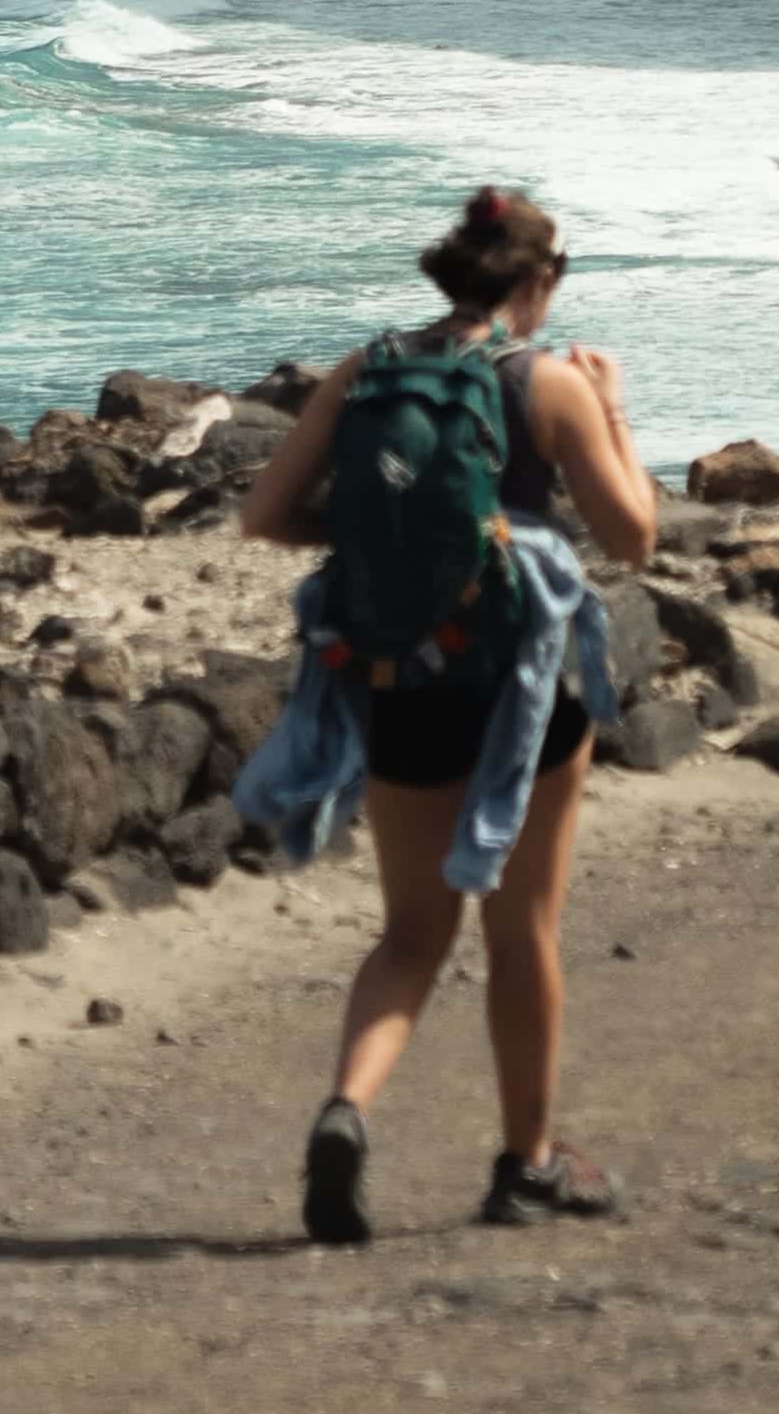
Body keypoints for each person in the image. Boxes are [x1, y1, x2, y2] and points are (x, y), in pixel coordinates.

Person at [235, 183, 658, 1243]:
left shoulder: (369, 368)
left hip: (399, 678)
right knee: (523, 931)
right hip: (525, 686)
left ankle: (346, 1109)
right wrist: (612, 407)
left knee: (411, 933)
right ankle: (525, 1166)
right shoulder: (549, 382)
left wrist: (389, 559)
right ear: (535, 279)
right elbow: (634, 535)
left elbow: (265, 512)